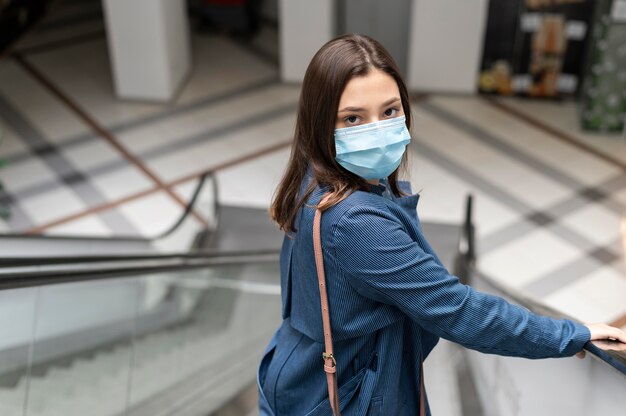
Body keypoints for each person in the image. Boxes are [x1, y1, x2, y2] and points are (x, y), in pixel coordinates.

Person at [257, 33, 626, 415]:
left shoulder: (313, 178)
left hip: (296, 373)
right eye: (353, 118)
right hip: (347, 397)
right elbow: (458, 311)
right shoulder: (355, 223)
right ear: (321, 125)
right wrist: (568, 335)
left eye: (389, 111)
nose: (377, 130)